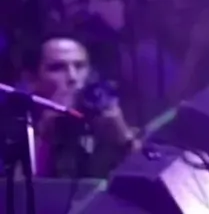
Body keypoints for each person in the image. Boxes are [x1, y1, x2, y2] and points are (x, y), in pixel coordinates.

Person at [22, 33, 138, 178]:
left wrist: (124, 137)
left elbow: (151, 177)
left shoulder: (108, 116)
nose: (72, 77)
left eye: (79, 66)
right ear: (32, 79)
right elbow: (17, 186)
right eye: (57, 68)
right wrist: (45, 135)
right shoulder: (16, 124)